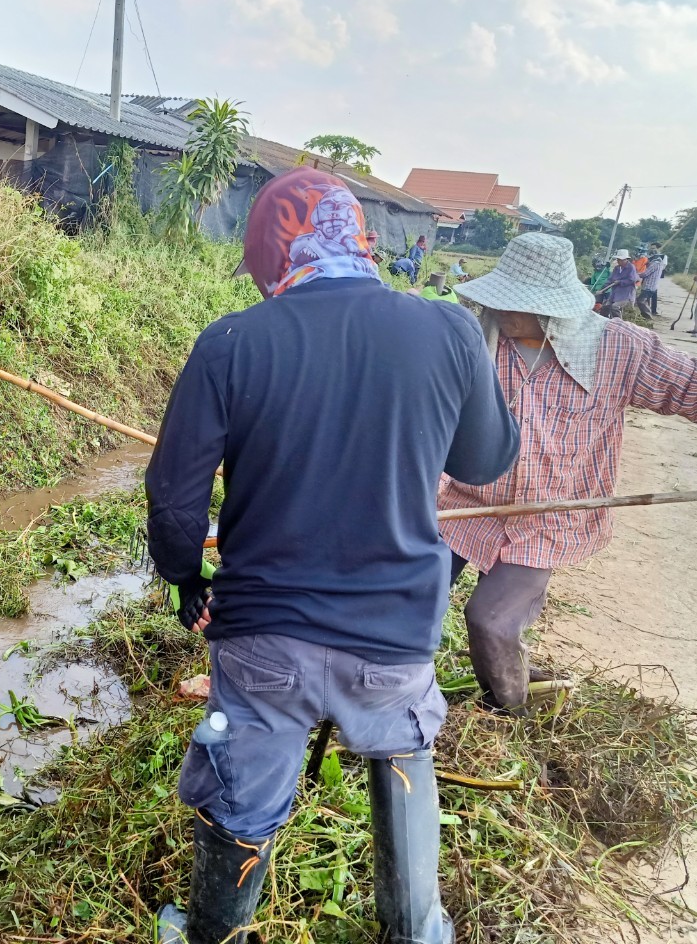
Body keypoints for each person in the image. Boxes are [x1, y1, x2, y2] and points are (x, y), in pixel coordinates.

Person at [148, 167, 520, 944]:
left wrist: (187, 580)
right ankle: (416, 931)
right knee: (403, 753)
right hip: (394, 637)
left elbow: (175, 498)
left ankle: (214, 932)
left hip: (263, 637)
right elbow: (485, 462)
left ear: (271, 251)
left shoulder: (231, 342)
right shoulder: (449, 331)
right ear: (363, 237)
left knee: (242, 782)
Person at [441, 233, 697, 715]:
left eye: (518, 304)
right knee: (407, 597)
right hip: (461, 506)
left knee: (491, 622)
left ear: (553, 309)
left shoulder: (619, 349)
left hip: (548, 518)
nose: (502, 311)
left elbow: (693, 388)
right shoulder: (473, 340)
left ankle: (510, 711)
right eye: (500, 299)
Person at [601, 249, 638, 318]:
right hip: (615, 293)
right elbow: (610, 279)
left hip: (626, 294)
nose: (618, 261)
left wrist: (620, 282)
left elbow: (632, 279)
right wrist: (602, 289)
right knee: (605, 306)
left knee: (614, 307)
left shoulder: (631, 267)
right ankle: (606, 320)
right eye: (617, 259)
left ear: (625, 260)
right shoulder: (617, 268)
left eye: (619, 260)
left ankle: (618, 321)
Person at [638, 251, 666, 317]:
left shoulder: (654, 264)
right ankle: (647, 314)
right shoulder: (660, 264)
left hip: (648, 286)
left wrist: (635, 274)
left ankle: (648, 316)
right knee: (646, 301)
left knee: (641, 301)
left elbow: (645, 274)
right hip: (653, 286)